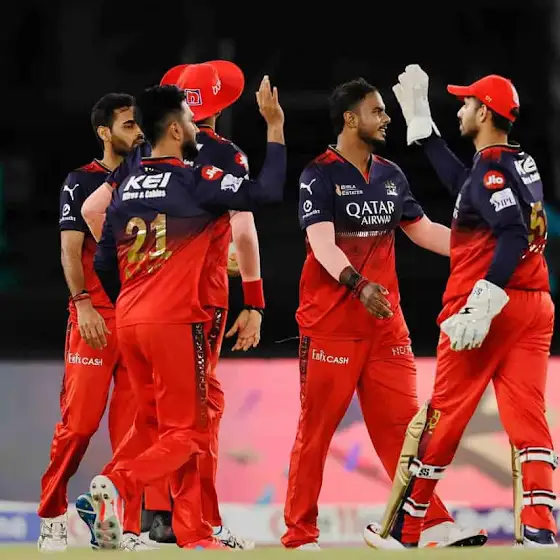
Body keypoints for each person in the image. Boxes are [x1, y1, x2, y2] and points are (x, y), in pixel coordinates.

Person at [282, 78, 486, 550]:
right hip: (331, 326)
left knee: (404, 429)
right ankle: (299, 534)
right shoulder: (318, 175)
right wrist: (358, 285)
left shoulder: (391, 174)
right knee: (316, 432)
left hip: (385, 327)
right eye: (377, 111)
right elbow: (322, 245)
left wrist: (480, 251)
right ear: (350, 119)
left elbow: (423, 230)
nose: (387, 118)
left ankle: (427, 525)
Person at [365, 65, 557, 549]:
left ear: (485, 113)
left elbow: (510, 230)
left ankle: (407, 529)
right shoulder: (516, 162)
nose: (460, 109)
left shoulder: (489, 172)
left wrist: (485, 299)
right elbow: (468, 189)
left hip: (484, 311)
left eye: (467, 103)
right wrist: (426, 133)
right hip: (534, 305)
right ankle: (540, 528)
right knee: (528, 419)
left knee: (442, 418)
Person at [89, 79, 285, 550]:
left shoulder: (127, 185)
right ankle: (117, 483)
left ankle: (192, 531)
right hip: (175, 322)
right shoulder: (195, 180)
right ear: (175, 130)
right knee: (192, 431)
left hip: (130, 320)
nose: (197, 127)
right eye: (191, 120)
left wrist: (133, 297)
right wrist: (275, 127)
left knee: (151, 423)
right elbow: (266, 193)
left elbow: (103, 261)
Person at [37, 94, 144, 552]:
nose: (138, 132)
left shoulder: (151, 180)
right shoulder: (81, 181)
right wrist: (82, 304)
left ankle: (127, 529)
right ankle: (52, 517)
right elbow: (69, 248)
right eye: (128, 125)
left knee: (135, 431)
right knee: (78, 426)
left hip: (142, 320)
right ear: (105, 132)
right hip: (96, 318)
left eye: (139, 124)